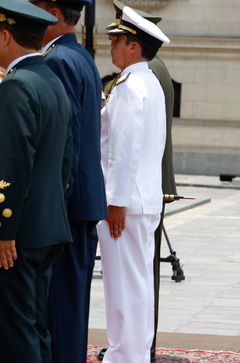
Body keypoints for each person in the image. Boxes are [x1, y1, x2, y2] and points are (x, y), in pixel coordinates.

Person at [0, 1, 73, 361]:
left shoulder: (18, 86)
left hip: (14, 237)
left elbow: (11, 167)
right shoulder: (51, 80)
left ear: (4, 34)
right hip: (45, 228)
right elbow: (66, 162)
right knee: (33, 329)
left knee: (15, 336)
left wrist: (1, 229)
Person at [28, 1, 108, 362]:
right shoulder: (80, 56)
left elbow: (66, 139)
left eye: (37, 6)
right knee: (70, 302)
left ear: (55, 14)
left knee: (59, 304)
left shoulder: (58, 60)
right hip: (82, 200)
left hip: (67, 205)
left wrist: (54, 204)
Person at [100, 5, 177, 360]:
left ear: (134, 47)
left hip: (127, 205)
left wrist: (115, 202)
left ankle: (124, 356)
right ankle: (134, 354)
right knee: (138, 284)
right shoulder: (149, 82)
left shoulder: (131, 87)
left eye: (117, 40)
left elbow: (124, 151)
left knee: (123, 287)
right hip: (142, 200)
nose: (111, 46)